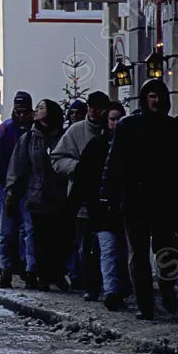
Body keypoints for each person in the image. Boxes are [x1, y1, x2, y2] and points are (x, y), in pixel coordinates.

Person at [102, 79, 178, 320]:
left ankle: (167, 290)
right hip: (135, 200)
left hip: (166, 201)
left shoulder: (173, 128)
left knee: (165, 251)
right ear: (145, 99)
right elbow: (114, 162)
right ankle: (145, 304)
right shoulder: (129, 126)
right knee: (137, 253)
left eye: (160, 96)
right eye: (152, 96)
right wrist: (107, 195)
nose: (156, 101)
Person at [71, 101, 130, 311]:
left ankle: (122, 287)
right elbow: (83, 177)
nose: (116, 123)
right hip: (101, 207)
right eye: (112, 119)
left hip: (126, 207)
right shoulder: (97, 145)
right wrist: (77, 203)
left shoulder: (132, 145)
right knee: (106, 249)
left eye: (119, 118)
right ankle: (111, 291)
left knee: (124, 251)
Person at [51, 90, 111, 296]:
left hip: (109, 198)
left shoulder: (113, 130)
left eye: (99, 108)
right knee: (87, 245)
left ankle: (113, 284)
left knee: (110, 244)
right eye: (91, 107)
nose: (94, 112)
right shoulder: (76, 131)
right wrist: (77, 168)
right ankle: (91, 285)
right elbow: (57, 159)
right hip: (82, 197)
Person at [6, 99, 68, 291]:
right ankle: (42, 275)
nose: (36, 111)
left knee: (59, 238)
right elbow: (18, 166)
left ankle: (57, 273)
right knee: (39, 238)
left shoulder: (63, 136)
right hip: (36, 195)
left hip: (59, 195)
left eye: (41, 108)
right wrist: (12, 192)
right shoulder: (29, 138)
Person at [0, 91, 34, 288]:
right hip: (7, 186)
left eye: (25, 111)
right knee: (6, 231)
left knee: (27, 231)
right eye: (18, 110)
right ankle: (5, 269)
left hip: (30, 187)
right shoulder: (3, 131)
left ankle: (27, 269)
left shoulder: (34, 130)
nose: (21, 115)